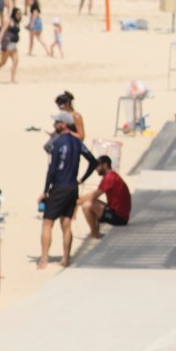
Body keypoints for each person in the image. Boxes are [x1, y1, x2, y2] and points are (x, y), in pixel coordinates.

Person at [38, 112, 97, 269]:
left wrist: (45, 191)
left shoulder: (57, 143)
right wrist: (82, 179)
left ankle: (44, 260)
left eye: (56, 122)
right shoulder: (77, 142)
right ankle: (65, 259)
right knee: (66, 224)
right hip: (72, 187)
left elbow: (52, 169)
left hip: (59, 187)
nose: (54, 125)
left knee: (47, 223)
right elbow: (93, 161)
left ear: (63, 124)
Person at [79, 155, 131, 238]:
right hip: (118, 212)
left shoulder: (110, 177)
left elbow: (94, 195)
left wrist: (76, 201)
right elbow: (93, 196)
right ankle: (96, 232)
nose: (96, 169)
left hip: (119, 217)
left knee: (87, 205)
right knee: (90, 202)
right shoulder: (111, 175)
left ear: (105, 165)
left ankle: (95, 234)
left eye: (97, 166)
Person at [0, 7, 21, 84]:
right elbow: (2, 31)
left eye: (19, 14)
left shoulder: (17, 22)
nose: (19, 15)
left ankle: (13, 79)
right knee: (3, 62)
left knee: (16, 61)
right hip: (7, 45)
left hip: (14, 45)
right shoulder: (9, 21)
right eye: (17, 14)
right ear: (14, 14)